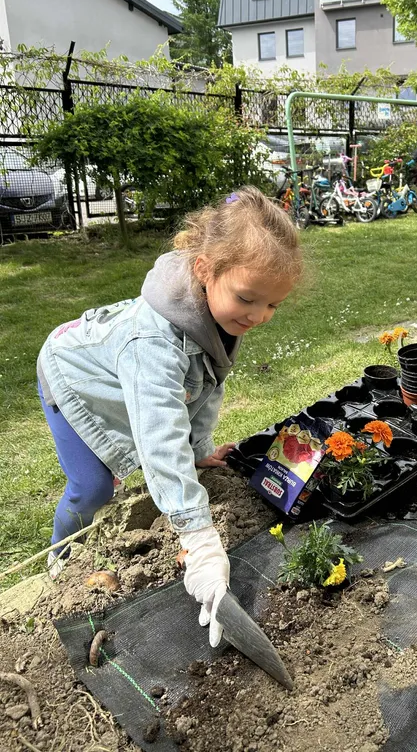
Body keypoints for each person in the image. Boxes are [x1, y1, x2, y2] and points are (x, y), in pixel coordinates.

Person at [37, 186, 303, 646]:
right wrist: (197, 535)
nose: (260, 315)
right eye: (249, 299)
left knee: (149, 442)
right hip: (70, 377)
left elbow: (204, 389)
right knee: (93, 485)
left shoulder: (217, 313)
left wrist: (198, 451)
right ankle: (62, 557)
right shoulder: (155, 347)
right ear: (205, 270)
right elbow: (159, 436)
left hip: (118, 374)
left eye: (273, 304)